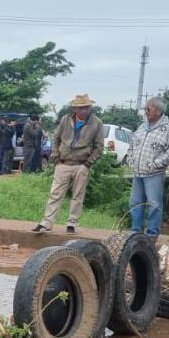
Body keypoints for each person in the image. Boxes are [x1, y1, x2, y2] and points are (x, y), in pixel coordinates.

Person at [33, 94, 105, 235]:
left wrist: (88, 164)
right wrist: (56, 156)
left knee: (78, 195)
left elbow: (99, 146)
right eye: (81, 107)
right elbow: (56, 138)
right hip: (63, 162)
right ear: (75, 108)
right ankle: (47, 223)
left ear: (90, 108)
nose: (84, 110)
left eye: (86, 107)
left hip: (82, 164)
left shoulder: (97, 123)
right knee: (55, 193)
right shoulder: (66, 120)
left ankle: (72, 223)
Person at [127, 97, 169, 238]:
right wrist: (131, 160)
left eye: (148, 108)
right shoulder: (142, 127)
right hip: (138, 172)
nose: (145, 111)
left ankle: (152, 233)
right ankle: (135, 231)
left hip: (154, 174)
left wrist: (155, 164)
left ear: (157, 110)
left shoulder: (168, 130)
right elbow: (132, 145)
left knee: (154, 204)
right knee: (135, 202)